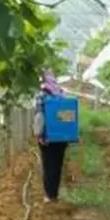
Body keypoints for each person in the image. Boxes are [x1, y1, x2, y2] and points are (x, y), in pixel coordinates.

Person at [34, 69, 69, 203]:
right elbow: (67, 115)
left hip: (47, 137)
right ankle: (54, 193)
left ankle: (49, 195)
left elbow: (39, 117)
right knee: (58, 164)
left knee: (48, 165)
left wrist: (38, 134)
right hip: (62, 137)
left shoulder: (42, 95)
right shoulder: (61, 93)